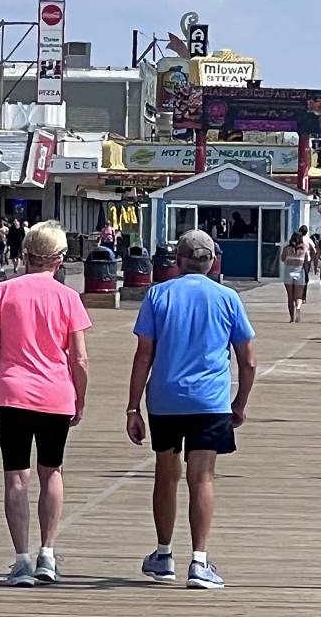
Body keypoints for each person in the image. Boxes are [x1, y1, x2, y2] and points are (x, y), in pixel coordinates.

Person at [126, 229, 257, 591]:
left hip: (166, 400)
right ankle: (199, 562)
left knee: (166, 476)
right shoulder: (227, 298)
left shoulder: (158, 295)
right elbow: (248, 361)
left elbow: (143, 355)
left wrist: (132, 407)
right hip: (210, 401)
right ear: (213, 261)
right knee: (202, 479)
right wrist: (240, 403)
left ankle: (163, 554)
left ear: (178, 261)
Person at [0, 221, 91, 586]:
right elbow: (80, 359)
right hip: (56, 394)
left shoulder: (3, 291)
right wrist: (80, 399)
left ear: (26, 255)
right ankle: (48, 554)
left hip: (11, 392)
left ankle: (22, 559)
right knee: (52, 471)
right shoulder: (68, 298)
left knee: (16, 477)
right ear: (59, 260)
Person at [279, 232, 310, 322]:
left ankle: (291, 317)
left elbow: (283, 259)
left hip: (289, 272)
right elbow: (307, 260)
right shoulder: (304, 249)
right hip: (300, 272)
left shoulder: (287, 249)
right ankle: (298, 308)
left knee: (290, 297)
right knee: (298, 296)